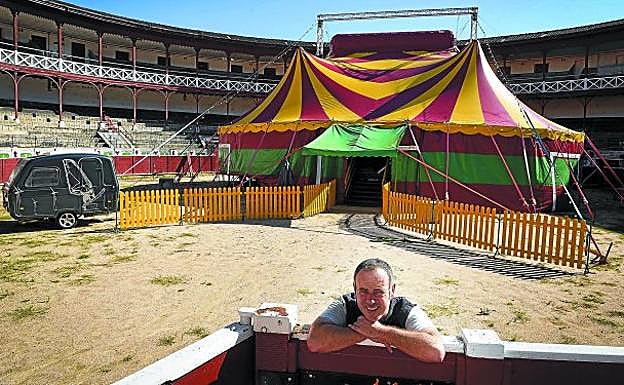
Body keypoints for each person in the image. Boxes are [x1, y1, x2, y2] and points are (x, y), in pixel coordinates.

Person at [307, 258, 445, 363]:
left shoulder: (406, 310)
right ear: (354, 288)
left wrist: (381, 332)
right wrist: (367, 332)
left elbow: (435, 351)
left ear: (392, 290)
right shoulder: (345, 304)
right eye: (363, 291)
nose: (370, 300)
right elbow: (314, 341)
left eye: (378, 292)